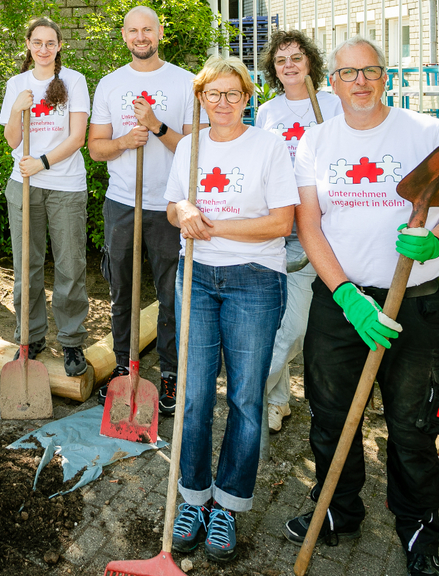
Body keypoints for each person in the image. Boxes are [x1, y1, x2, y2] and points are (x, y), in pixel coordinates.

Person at [285, 36, 439, 576]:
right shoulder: (316, 142)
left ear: (385, 77)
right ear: (334, 83)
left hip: (414, 304)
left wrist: (437, 241)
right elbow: (309, 224)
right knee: (330, 418)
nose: (360, 82)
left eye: (370, 71)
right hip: (341, 304)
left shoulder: (426, 134)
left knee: (415, 423)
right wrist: (346, 294)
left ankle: (419, 528)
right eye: (348, 74)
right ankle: (337, 512)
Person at [165, 55, 298, 561]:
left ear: (247, 98)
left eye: (233, 94)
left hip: (255, 281)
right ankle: (194, 499)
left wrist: (210, 225)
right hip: (196, 277)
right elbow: (174, 205)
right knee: (196, 396)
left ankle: (228, 504)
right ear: (201, 98)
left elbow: (281, 223)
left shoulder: (268, 146)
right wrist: (189, 210)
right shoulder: (190, 147)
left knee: (245, 398)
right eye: (213, 94)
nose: (223, 103)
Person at [88, 5, 207, 413]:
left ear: (159, 34)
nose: (141, 37)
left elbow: (196, 153)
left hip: (169, 206)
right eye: (133, 31)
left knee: (171, 294)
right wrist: (124, 142)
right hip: (121, 201)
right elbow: (96, 148)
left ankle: (171, 375)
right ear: (124, 36)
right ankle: (124, 369)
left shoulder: (185, 83)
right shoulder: (109, 84)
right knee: (121, 290)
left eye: (148, 30)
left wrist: (156, 126)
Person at [254, 30, 343, 433]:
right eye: (281, 60)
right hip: (276, 224)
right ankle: (277, 402)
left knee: (294, 327)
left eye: (296, 58)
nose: (289, 66)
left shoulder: (332, 105)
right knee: (275, 321)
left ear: (310, 63)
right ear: (274, 69)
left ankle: (250, 393)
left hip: (313, 228)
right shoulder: (267, 112)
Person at [0, 17, 90, 377]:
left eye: (50, 43)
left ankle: (70, 341)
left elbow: (77, 136)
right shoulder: (17, 84)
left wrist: (43, 162)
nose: (44, 49)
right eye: (37, 42)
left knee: (70, 266)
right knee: (26, 266)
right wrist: (19, 108)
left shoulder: (74, 81)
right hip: (23, 185)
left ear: (59, 46)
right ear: (28, 45)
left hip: (65, 186)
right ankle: (31, 335)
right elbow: (11, 140)